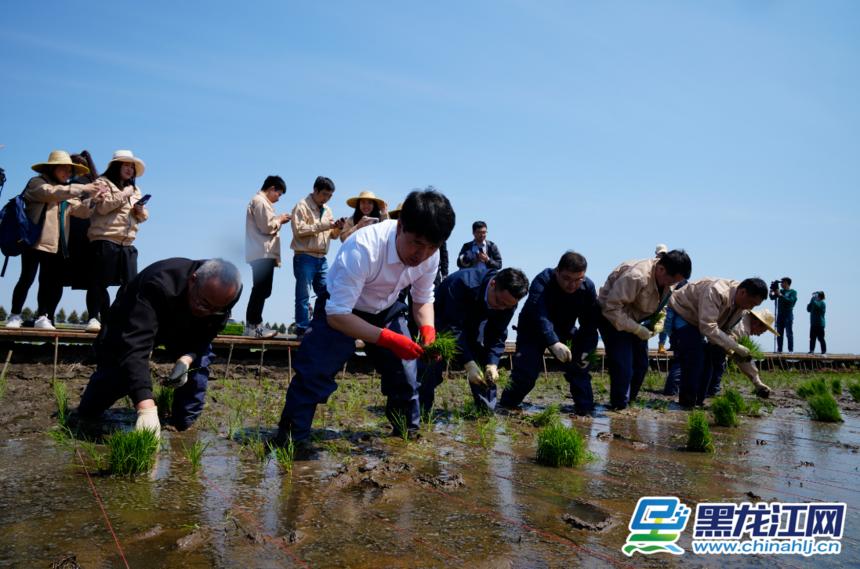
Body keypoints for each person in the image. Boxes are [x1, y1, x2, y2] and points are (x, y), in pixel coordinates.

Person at [273, 189, 456, 448]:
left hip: (387, 307)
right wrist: (389, 339)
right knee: (315, 370)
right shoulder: (364, 247)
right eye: (416, 243)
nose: (421, 254)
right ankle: (291, 440)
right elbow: (337, 316)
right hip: (342, 308)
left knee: (405, 373)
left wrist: (428, 329)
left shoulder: (430, 255)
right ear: (400, 226)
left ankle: (406, 432)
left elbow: (423, 298)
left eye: (431, 247)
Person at [77, 258, 242, 437]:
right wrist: (145, 408)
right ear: (193, 280)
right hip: (133, 320)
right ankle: (88, 412)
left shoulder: (228, 293)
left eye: (214, 309)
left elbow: (208, 332)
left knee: (199, 364)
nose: (206, 311)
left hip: (185, 326)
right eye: (202, 302)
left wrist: (186, 358)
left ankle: (181, 426)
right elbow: (134, 347)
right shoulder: (157, 284)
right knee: (117, 374)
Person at [5, 150, 105, 330]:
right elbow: (50, 193)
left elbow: (81, 212)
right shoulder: (37, 183)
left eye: (70, 171)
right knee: (26, 278)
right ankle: (14, 314)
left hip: (54, 244)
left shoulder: (66, 191)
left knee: (47, 282)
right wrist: (83, 188)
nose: (68, 173)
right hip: (33, 241)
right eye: (64, 169)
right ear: (52, 168)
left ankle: (42, 316)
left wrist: (93, 200)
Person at [499, 251, 601, 415]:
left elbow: (589, 324)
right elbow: (540, 315)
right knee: (526, 373)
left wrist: (587, 352)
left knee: (580, 370)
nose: (572, 285)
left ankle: (585, 412)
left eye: (578, 279)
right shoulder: (542, 281)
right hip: (532, 331)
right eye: (567, 278)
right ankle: (506, 405)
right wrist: (553, 342)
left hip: (565, 333)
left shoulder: (587, 287)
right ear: (557, 271)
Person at [418, 267, 529, 415]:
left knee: (485, 368)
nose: (501, 308)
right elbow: (452, 327)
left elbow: (497, 334)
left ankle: (485, 411)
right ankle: (420, 410)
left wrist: (492, 364)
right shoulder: (463, 283)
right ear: (493, 284)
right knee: (431, 362)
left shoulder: (508, 301)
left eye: (507, 306)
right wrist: (468, 363)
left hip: (473, 326)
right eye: (499, 302)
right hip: (440, 323)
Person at [597, 250, 692, 409]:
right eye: (672, 281)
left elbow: (663, 304)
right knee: (623, 365)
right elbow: (611, 309)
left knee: (641, 365)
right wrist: (636, 329)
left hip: (638, 320)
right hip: (612, 318)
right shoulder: (636, 277)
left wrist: (659, 321)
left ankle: (629, 402)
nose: (672, 285)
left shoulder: (670, 280)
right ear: (661, 269)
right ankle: (618, 406)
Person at [668, 277, 768, 407]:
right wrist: (736, 346)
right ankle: (686, 403)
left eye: (755, 305)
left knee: (710, 360)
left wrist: (756, 381)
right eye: (751, 303)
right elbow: (708, 327)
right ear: (743, 292)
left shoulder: (742, 308)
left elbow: (727, 339)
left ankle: (697, 403)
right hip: (682, 313)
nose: (751, 308)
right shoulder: (716, 291)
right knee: (695, 356)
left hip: (701, 323)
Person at [84, 150, 149, 332]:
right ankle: (93, 318)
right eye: (126, 165)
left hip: (127, 243)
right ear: (116, 166)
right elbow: (103, 208)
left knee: (130, 286)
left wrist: (139, 209)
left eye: (132, 167)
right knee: (99, 282)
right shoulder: (102, 183)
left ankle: (115, 318)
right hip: (104, 238)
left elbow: (144, 217)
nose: (130, 170)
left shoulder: (135, 189)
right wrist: (124, 194)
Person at [289, 176, 345, 336]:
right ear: (315, 190)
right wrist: (326, 225)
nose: (326, 198)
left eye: (330, 196)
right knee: (303, 295)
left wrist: (338, 228)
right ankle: (302, 328)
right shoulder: (301, 206)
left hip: (322, 258)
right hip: (304, 256)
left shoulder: (327, 209)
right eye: (324, 194)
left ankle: (321, 325)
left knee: (327, 293)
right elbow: (299, 231)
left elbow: (332, 236)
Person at [245, 175, 291, 338]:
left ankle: (254, 325)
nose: (278, 198)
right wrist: (280, 220)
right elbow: (266, 227)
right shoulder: (260, 201)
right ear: (272, 188)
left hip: (261, 252)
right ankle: (253, 326)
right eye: (279, 194)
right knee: (261, 289)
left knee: (263, 289)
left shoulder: (260, 201)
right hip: (261, 252)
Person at [770, 277, 797, 353]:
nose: (781, 284)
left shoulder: (793, 292)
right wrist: (771, 291)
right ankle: (779, 350)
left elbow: (790, 301)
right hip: (780, 315)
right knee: (779, 333)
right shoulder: (780, 291)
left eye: (783, 282)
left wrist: (780, 295)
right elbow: (772, 297)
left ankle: (790, 350)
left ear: (787, 283)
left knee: (789, 333)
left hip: (788, 315)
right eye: (781, 282)